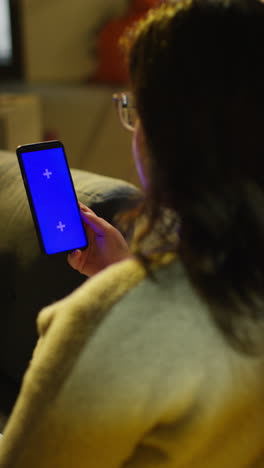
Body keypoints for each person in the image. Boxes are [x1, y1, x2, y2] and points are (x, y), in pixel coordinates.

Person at [0, 0, 264, 466]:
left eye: (135, 106)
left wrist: (118, 301)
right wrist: (122, 273)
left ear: (168, 132)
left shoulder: (106, 325)